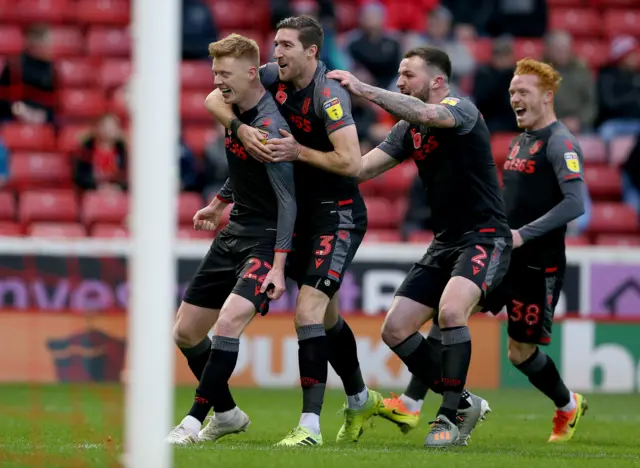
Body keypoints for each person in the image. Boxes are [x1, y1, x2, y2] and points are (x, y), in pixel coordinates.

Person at [205, 16, 381, 447]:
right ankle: (359, 397)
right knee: (328, 316)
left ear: (311, 51)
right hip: (299, 212)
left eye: (285, 45)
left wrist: (298, 151)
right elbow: (213, 97)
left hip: (335, 215)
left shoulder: (329, 94)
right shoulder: (270, 76)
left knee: (308, 311)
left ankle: (310, 427)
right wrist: (239, 128)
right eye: (275, 44)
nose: (276, 53)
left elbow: (352, 163)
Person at [327, 46, 512, 448]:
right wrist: (303, 161)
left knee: (450, 311)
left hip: (485, 235)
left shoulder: (459, 108)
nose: (401, 81)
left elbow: (431, 114)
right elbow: (360, 169)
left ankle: (446, 418)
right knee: (395, 329)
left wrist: (362, 88)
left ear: (438, 80)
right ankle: (464, 401)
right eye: (399, 73)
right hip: (445, 241)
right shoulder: (407, 129)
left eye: (408, 74)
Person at [166, 33, 297, 445]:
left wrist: (278, 265)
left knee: (227, 322)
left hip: (266, 239)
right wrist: (219, 203)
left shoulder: (270, 128)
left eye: (225, 72)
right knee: (186, 332)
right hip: (233, 232)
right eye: (214, 72)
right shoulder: (236, 113)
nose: (218, 80)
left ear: (251, 71)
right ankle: (227, 414)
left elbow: (287, 199)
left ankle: (192, 421)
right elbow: (244, 173)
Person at [483, 58, 588, 442]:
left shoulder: (561, 141)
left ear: (547, 96)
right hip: (504, 257)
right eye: (512, 92)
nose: (515, 98)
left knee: (519, 353)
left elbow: (576, 203)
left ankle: (567, 405)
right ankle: (418, 406)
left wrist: (524, 234)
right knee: (450, 311)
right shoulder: (519, 139)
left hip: (538, 265)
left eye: (523, 92)